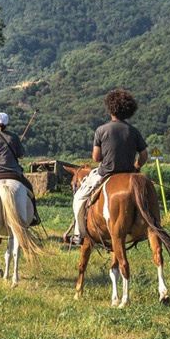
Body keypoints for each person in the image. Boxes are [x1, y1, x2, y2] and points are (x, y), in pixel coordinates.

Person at [69, 88, 148, 245]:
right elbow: (144, 155)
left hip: (106, 173)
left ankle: (79, 234)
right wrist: (136, 166)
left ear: (110, 109)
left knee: (78, 198)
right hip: (130, 173)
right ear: (128, 111)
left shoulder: (101, 130)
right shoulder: (134, 131)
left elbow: (96, 157)